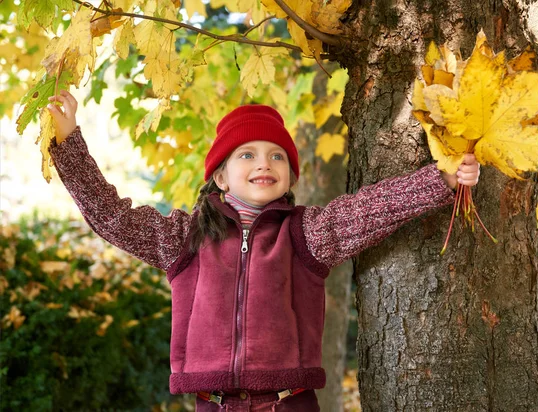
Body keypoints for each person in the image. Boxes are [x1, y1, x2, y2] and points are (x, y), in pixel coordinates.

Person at [47, 90, 480, 412]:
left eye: (277, 157)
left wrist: (440, 179)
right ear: (220, 176)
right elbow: (112, 217)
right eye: (247, 154)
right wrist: (68, 145)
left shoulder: (306, 232)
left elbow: (369, 210)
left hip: (288, 402)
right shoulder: (185, 237)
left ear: (290, 177)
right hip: (214, 403)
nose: (263, 164)